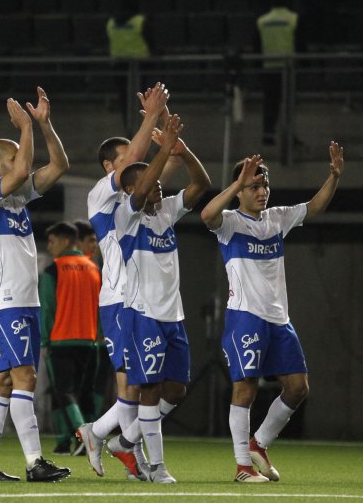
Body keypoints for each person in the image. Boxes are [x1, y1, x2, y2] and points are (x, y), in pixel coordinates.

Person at [200, 142, 345, 482]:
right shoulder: (230, 223)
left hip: (279, 318)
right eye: (254, 186)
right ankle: (242, 466)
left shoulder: (278, 218)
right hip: (245, 316)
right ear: (240, 191)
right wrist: (236, 183)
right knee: (246, 387)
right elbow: (206, 215)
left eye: (264, 184)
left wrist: (334, 176)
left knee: (298, 388)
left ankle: (260, 443)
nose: (262, 191)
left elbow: (315, 207)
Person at [0, 86, 71, 482]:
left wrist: (43, 125)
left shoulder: (17, 198)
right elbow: (25, 169)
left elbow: (59, 164)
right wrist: (24, 127)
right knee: (25, 377)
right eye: (11, 158)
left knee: (5, 379)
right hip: (5, 300)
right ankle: (34, 462)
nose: (20, 163)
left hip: (23, 302)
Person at [102, 113, 209, 484]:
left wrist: (183, 150)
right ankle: (157, 466)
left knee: (176, 390)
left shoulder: (164, 214)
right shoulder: (125, 218)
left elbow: (202, 183)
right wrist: (161, 150)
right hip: (142, 315)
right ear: (135, 191)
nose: (161, 190)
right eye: (154, 187)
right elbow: (145, 183)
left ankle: (126, 440)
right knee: (148, 390)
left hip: (172, 316)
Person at [75, 82, 171, 482]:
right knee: (132, 384)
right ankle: (118, 445)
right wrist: (150, 117)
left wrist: (166, 132)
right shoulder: (101, 195)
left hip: (141, 300)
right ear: (107, 167)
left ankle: (105, 437)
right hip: (117, 299)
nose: (134, 164)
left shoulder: (136, 197)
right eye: (124, 160)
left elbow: (147, 164)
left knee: (144, 383)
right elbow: (137, 155)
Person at [38, 222, 101, 455]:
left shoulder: (53, 270)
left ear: (65, 241)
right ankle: (71, 441)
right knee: (84, 393)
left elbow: (47, 310)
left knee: (63, 391)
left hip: (61, 341)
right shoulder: (94, 269)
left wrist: (45, 340)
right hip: (89, 342)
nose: (49, 246)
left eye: (52, 241)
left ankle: (82, 436)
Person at [73, 220, 106, 423]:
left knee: (97, 385)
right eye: (90, 241)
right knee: (76, 387)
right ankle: (77, 433)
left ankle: (91, 427)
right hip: (81, 337)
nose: (94, 246)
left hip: (98, 337)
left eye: (96, 241)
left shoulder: (99, 267)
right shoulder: (75, 269)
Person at [256, 0, 298, 146]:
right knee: (288, 103)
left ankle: (268, 135)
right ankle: (289, 137)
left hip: (269, 67)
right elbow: (298, 42)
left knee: (270, 103)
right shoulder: (292, 19)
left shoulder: (262, 21)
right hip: (287, 69)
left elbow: (257, 46)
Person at [106, 0, 152, 135]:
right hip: (141, 68)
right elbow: (152, 43)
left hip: (119, 68)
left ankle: (130, 131)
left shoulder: (111, 23)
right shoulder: (140, 21)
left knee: (125, 102)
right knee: (143, 102)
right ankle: (141, 133)